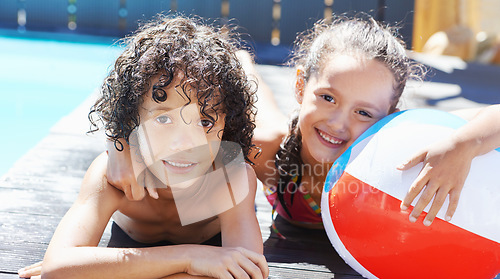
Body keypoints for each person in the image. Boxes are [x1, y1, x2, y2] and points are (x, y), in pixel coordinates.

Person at [100, 15, 500, 234]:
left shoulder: (397, 141)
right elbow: (147, 94)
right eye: (327, 98)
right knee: (252, 95)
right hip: (280, 131)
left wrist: (463, 144)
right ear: (301, 85)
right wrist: (118, 145)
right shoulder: (267, 150)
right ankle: (246, 60)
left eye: (365, 112)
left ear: (390, 115)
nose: (339, 123)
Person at [17, 15, 268, 279]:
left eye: (204, 121)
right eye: (163, 118)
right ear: (131, 119)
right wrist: (189, 257)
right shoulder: (113, 178)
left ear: (228, 125)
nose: (185, 143)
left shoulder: (230, 176)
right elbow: (58, 272)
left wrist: (103, 274)